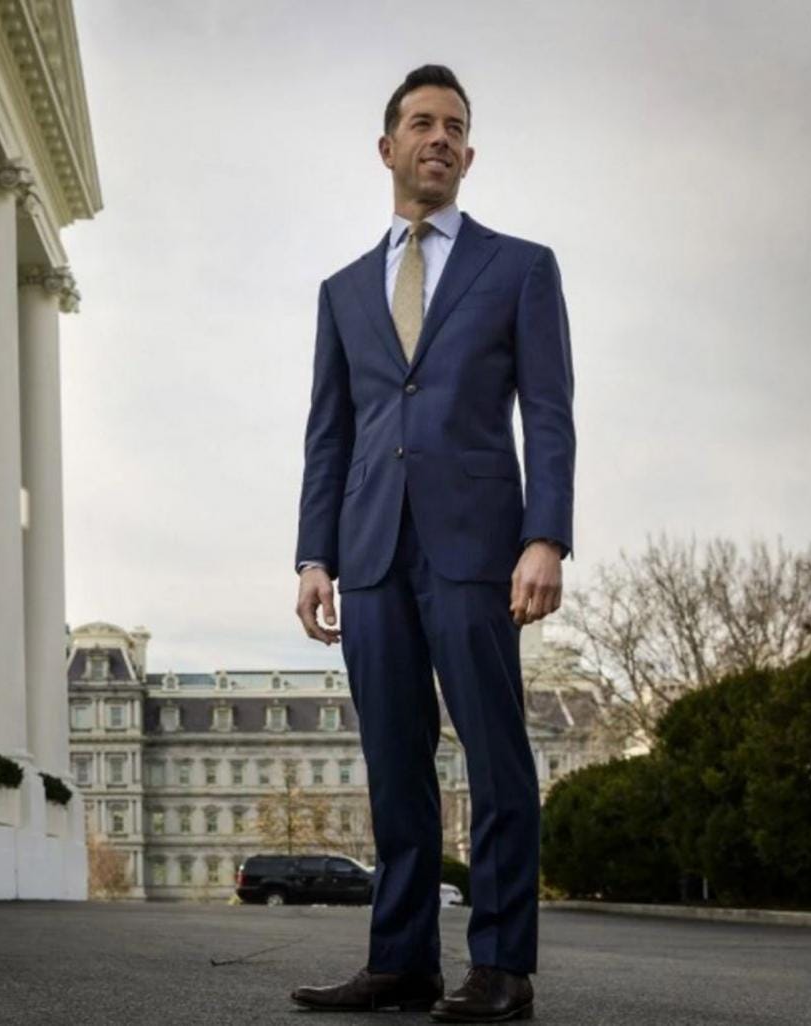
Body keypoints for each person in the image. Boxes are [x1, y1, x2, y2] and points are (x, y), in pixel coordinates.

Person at [288, 64, 575, 1023]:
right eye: (421, 123)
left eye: (455, 126)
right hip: (367, 554)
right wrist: (312, 556)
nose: (439, 137)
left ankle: (500, 967)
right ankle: (401, 960)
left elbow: (549, 413)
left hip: (477, 548)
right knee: (394, 764)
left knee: (495, 755)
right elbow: (328, 432)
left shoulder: (520, 267)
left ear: (469, 152)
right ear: (389, 147)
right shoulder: (341, 290)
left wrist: (547, 536)